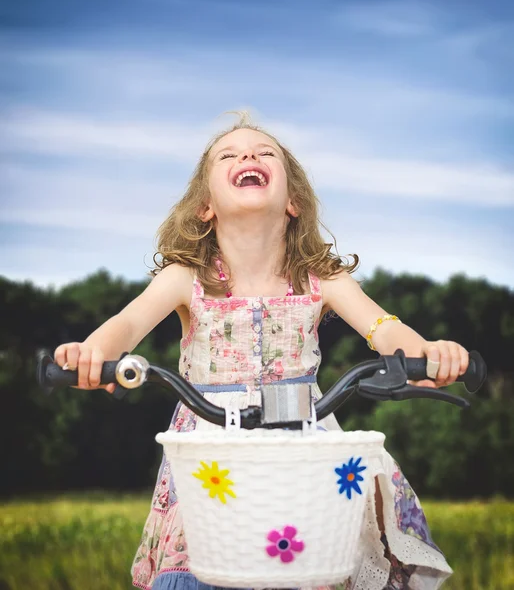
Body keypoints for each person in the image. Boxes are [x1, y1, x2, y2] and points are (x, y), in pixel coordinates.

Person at [54, 112, 468, 590]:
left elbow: (383, 328)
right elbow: (128, 323)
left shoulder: (321, 278)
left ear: (292, 200)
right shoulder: (185, 277)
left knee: (311, 561)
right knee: (199, 567)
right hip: (210, 458)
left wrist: (426, 354)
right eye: (228, 155)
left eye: (263, 151)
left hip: (301, 448)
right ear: (205, 206)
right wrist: (93, 354)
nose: (248, 155)